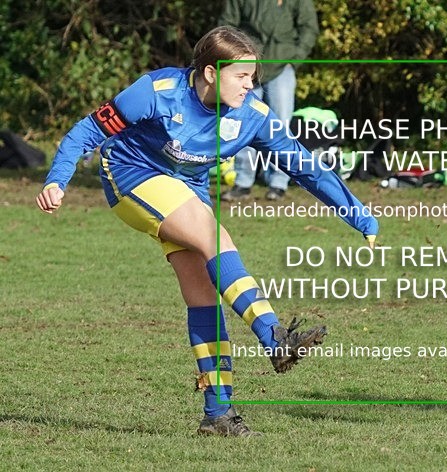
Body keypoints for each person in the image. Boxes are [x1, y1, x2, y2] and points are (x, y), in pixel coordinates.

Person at [36, 26, 378, 437]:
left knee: (202, 292)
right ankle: (274, 337)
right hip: (130, 174)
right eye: (243, 77)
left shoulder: (252, 115)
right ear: (212, 73)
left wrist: (359, 214)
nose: (252, 86)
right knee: (215, 238)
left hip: (186, 189)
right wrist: (57, 179)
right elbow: (86, 131)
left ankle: (218, 414)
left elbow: (304, 167)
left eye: (253, 77)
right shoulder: (157, 90)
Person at [218, 0, 320, 202]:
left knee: (280, 127)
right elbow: (226, 25)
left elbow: (309, 27)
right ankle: (243, 181)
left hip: (282, 66)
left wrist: (295, 57)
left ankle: (279, 182)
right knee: (243, 123)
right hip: (248, 65)